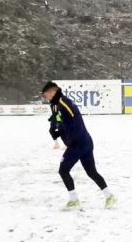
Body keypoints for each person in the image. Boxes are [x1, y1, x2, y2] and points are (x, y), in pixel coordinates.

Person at [42, 81, 116, 209]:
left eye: (46, 95)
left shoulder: (65, 102)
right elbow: (56, 118)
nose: (45, 97)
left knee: (63, 170)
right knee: (91, 172)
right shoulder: (54, 104)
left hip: (78, 142)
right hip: (83, 142)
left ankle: (74, 200)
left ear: (53, 92)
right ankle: (109, 196)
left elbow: (74, 119)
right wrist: (53, 129)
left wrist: (61, 131)